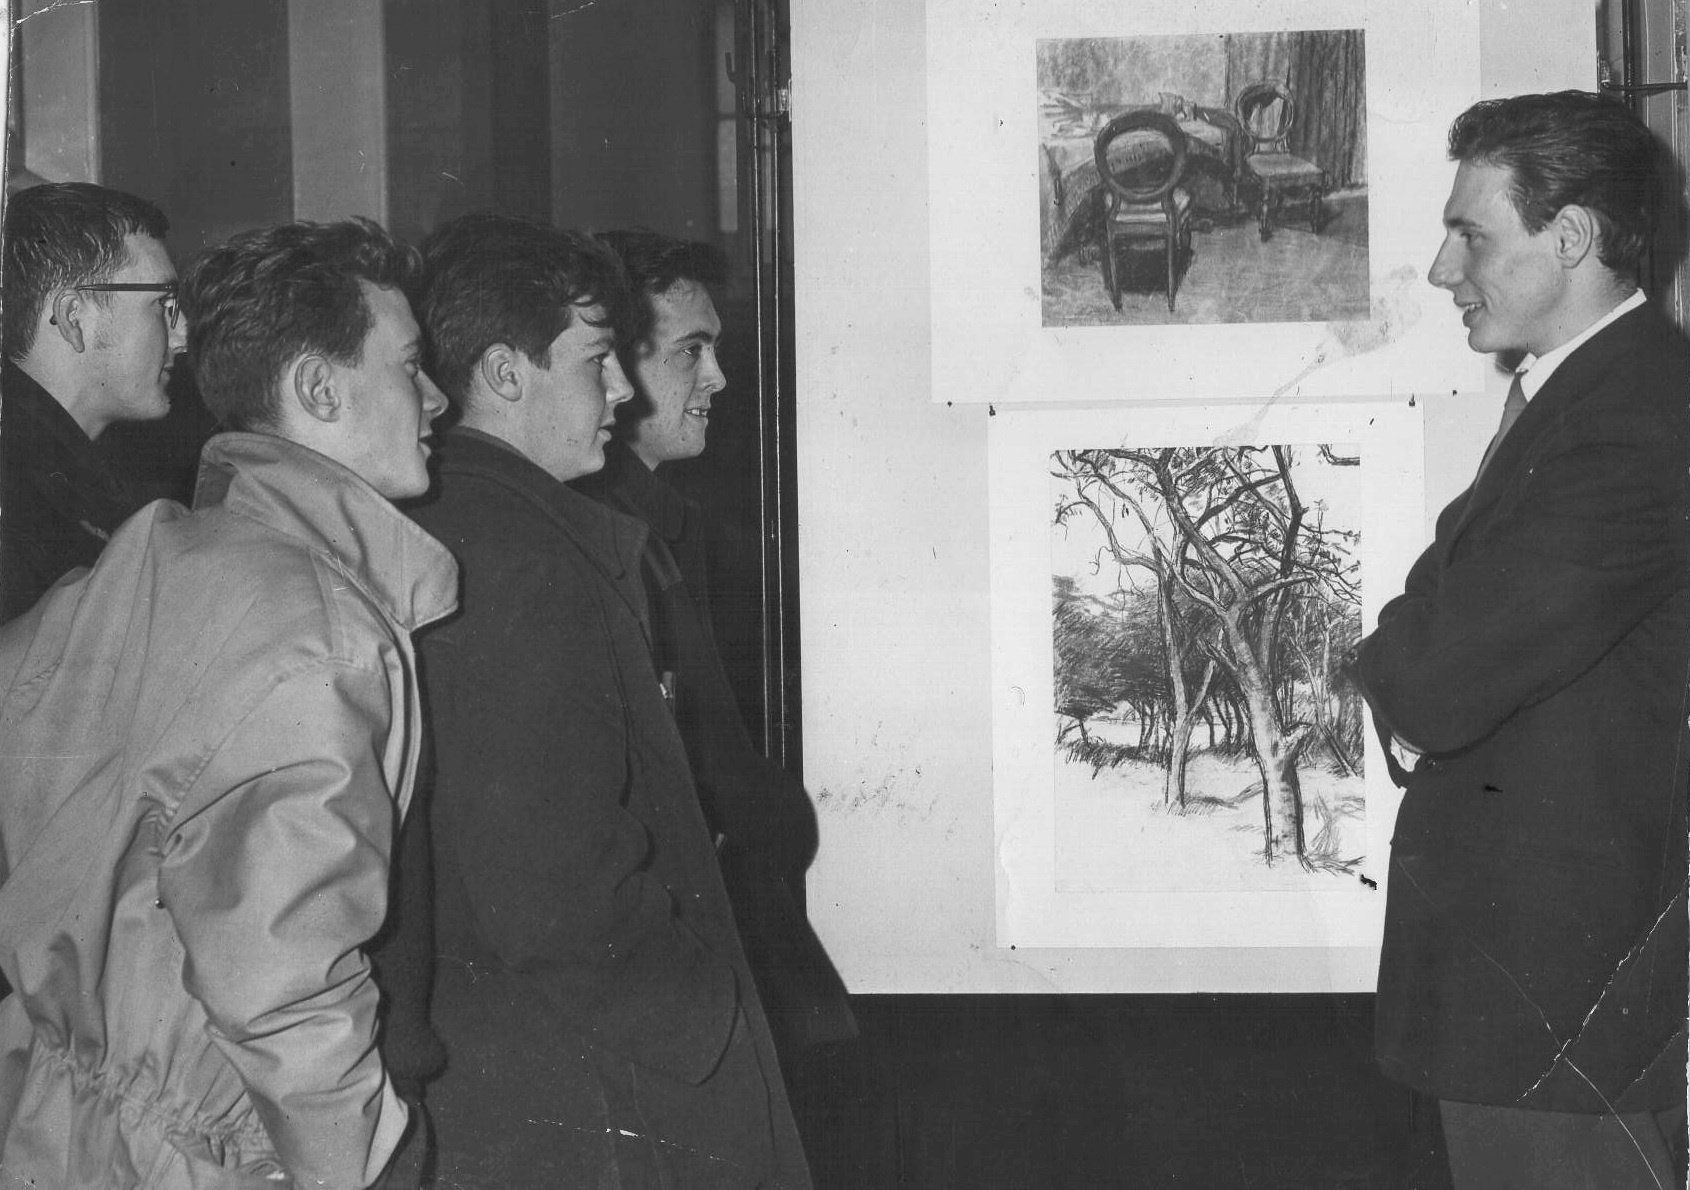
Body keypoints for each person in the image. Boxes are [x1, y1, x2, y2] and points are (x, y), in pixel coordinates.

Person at [0, 219, 456, 1189]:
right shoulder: (317, 630)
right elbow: (284, 983)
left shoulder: (157, 552)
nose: (436, 397)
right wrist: (354, 1162)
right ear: (319, 389)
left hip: (56, 1120)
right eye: (410, 365)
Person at [398, 212, 810, 1187]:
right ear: (505, 373)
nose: (621, 390)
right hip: (591, 1107)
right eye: (595, 360)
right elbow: (560, 899)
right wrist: (707, 1013)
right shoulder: (524, 564)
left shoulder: (482, 529)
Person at [1354, 91, 1688, 1189]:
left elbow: (1435, 677)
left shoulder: (1636, 416)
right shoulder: (1587, 398)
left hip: (1565, 1000)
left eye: (1472, 234)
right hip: (1536, 990)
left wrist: (1394, 665)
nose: (1445, 269)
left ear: (1574, 236)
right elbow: (1446, 619)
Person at [574, 230, 853, 1065]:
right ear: (611, 366)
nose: (720, 379)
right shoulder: (610, 539)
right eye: (692, 350)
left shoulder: (668, 523)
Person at [0, 182, 188, 622]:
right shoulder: (19, 504)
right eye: (163, 305)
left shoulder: (53, 478)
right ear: (72, 318)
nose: (183, 336)